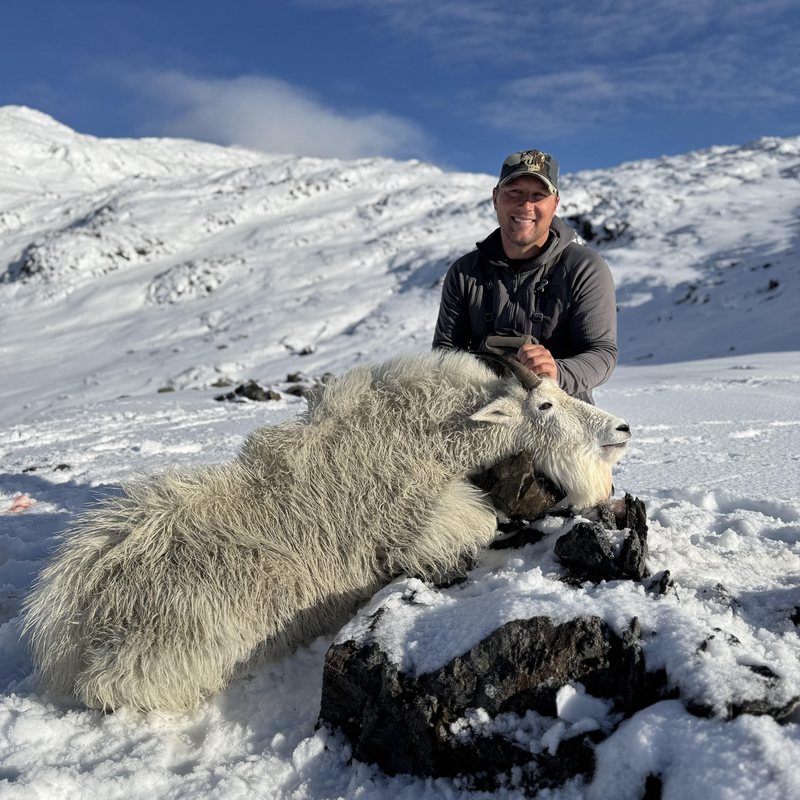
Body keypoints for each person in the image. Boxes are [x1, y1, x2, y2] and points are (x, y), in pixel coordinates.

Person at [433, 150, 617, 404]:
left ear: (555, 204)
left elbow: (602, 354)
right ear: (496, 197)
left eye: (538, 195)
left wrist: (557, 372)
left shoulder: (585, 267)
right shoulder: (464, 272)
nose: (526, 205)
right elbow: (443, 357)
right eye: (515, 192)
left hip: (562, 420)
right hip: (481, 417)